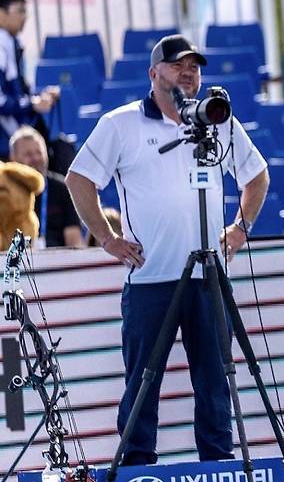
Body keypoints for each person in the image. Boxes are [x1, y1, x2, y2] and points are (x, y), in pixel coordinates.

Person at [65, 34, 270, 465]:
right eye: (178, 65)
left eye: (194, 66)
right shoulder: (120, 124)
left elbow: (257, 175)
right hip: (150, 277)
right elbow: (79, 178)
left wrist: (241, 227)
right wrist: (106, 237)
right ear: (153, 73)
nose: (189, 73)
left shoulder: (218, 119)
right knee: (143, 381)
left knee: (215, 381)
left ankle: (218, 465)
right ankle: (138, 468)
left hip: (208, 275)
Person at [0, 0, 59, 160]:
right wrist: (32, 104)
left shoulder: (11, 43)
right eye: (20, 11)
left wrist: (40, 99)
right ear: (1, 14)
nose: (24, 17)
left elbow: (17, 92)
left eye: (26, 12)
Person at [9, 125, 83, 248]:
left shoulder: (63, 188)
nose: (36, 158)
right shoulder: (5, 191)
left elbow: (74, 242)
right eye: (28, 154)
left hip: (57, 261)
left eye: (39, 152)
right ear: (13, 159)